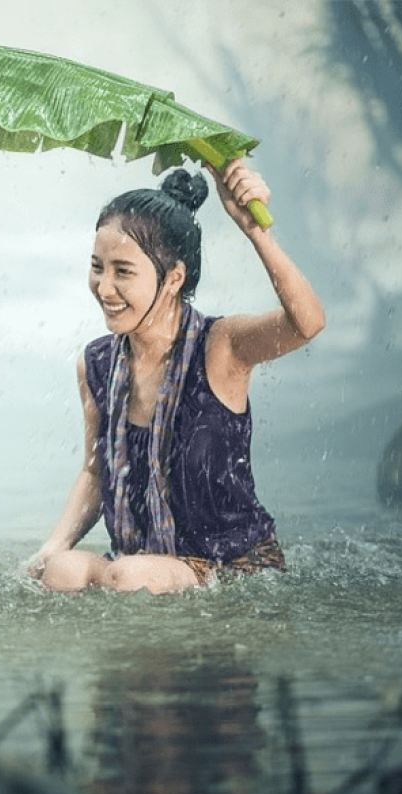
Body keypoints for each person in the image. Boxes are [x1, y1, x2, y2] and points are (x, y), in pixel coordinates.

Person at [26, 160, 325, 594]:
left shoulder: (221, 347)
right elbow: (95, 473)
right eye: (97, 266)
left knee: (129, 576)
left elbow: (307, 323)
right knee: (64, 571)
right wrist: (53, 545)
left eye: (122, 271)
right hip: (141, 565)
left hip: (232, 566)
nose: (103, 288)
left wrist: (254, 229)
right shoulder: (96, 364)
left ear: (173, 279)